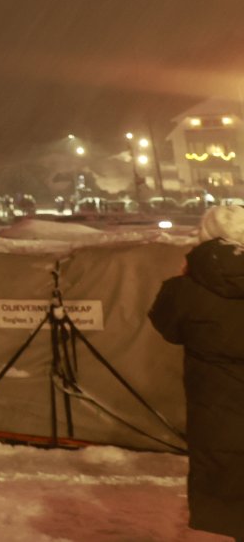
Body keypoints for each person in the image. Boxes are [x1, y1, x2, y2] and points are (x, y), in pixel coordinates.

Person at [149, 203, 244, 540]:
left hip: (215, 413)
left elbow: (167, 326)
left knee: (228, 492)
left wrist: (186, 278)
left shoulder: (188, 286)